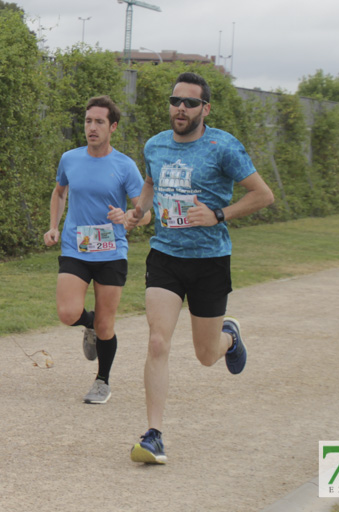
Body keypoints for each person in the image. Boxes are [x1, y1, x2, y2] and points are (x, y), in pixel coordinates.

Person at [124, 71, 274, 463]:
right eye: (176, 101)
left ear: (205, 108)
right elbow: (151, 183)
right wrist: (137, 211)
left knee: (206, 355)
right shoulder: (155, 145)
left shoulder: (223, 146)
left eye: (190, 103)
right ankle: (153, 435)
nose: (181, 108)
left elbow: (263, 195)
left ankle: (230, 337)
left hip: (209, 261)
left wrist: (219, 214)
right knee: (158, 340)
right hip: (165, 257)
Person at [44, 95, 150, 405]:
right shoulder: (70, 158)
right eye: (88, 121)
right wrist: (54, 225)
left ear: (112, 127)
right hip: (76, 247)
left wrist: (130, 217)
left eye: (99, 122)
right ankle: (86, 324)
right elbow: (59, 192)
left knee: (107, 325)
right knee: (67, 313)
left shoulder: (125, 166)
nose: (92, 127)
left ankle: (102, 381)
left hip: (111, 252)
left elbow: (145, 214)